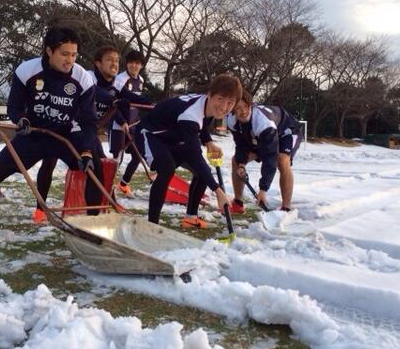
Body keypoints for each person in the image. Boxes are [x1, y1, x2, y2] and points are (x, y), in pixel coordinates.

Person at [0, 26, 100, 231]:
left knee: (95, 171)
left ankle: (94, 225)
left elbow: (89, 122)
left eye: (74, 55)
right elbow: (14, 106)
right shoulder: (27, 70)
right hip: (34, 134)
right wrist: (21, 120)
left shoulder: (82, 78)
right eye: (64, 54)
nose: (70, 60)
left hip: (66, 136)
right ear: (49, 51)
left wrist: (85, 150)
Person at [32, 45, 151, 223]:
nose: (115, 64)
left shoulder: (115, 84)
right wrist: (115, 100)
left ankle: (107, 204)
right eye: (110, 60)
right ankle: (40, 209)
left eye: (117, 60)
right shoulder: (87, 78)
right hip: (64, 125)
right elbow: (98, 94)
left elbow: (128, 98)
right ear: (98, 63)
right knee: (49, 162)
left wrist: (157, 105)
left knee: (100, 166)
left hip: (87, 133)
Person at [135, 73, 240, 227]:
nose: (224, 107)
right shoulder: (191, 114)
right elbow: (195, 156)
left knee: (203, 173)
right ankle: (152, 225)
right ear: (210, 95)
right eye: (220, 99)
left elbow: (201, 125)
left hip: (173, 138)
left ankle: (191, 217)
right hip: (150, 134)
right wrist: (218, 192)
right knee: (167, 168)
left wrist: (209, 142)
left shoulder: (207, 106)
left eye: (230, 102)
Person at [227, 90, 302, 213]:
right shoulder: (231, 121)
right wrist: (241, 164)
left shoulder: (263, 123)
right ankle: (238, 202)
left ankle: (286, 206)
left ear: (250, 105)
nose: (243, 111)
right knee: (236, 160)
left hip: (286, 131)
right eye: (238, 108)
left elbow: (270, 157)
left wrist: (263, 189)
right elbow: (241, 144)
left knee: (282, 160)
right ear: (233, 110)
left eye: (246, 106)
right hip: (260, 137)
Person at [112, 50, 149, 197]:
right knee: (117, 159)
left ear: (141, 65)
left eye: (137, 63)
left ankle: (123, 184)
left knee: (138, 155)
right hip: (119, 125)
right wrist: (121, 121)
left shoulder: (140, 80)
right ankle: (108, 189)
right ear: (126, 64)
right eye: (131, 62)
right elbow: (113, 105)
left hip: (134, 126)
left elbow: (137, 105)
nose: (134, 66)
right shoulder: (119, 79)